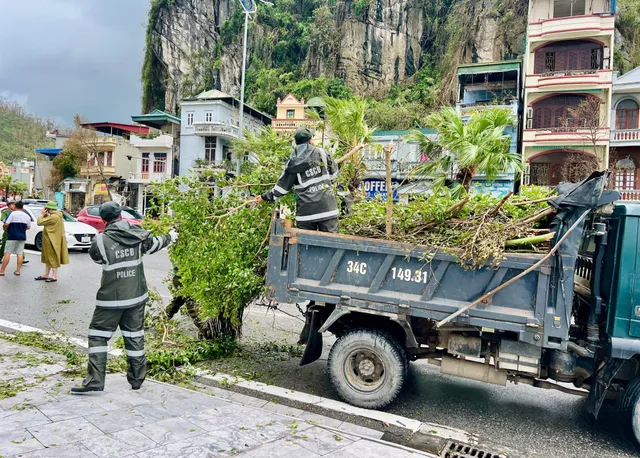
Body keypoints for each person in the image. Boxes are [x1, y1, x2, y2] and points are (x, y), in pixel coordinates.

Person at [71, 201, 176, 393]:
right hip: (136, 297)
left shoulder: (100, 241)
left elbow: (97, 258)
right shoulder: (137, 234)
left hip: (110, 299)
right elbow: (154, 245)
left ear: (103, 220)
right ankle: (137, 380)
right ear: (121, 216)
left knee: (98, 335)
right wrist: (171, 236)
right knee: (134, 337)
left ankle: (95, 379)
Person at [254, 126, 339, 233]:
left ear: (295, 142)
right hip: (327, 209)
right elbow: (334, 174)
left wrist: (264, 197)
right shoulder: (322, 153)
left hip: (306, 214)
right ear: (310, 140)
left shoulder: (292, 163)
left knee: (306, 247)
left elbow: (281, 188)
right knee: (330, 245)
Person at [35, 202, 69, 282]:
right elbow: (47, 221)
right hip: (51, 239)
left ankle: (54, 276)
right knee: (48, 256)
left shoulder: (54, 217)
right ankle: (46, 274)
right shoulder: (58, 215)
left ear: (49, 209)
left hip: (52, 240)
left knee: (52, 257)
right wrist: (46, 215)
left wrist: (42, 214)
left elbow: (39, 222)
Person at [0, 201, 31, 276]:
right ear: (22, 207)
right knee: (19, 254)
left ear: (15, 206)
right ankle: (17, 271)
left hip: (12, 236)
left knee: (7, 253)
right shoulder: (27, 216)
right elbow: (28, 227)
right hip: (22, 236)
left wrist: (7, 227)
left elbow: (6, 224)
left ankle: (2, 271)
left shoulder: (12, 214)